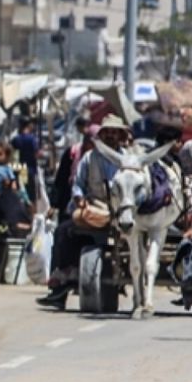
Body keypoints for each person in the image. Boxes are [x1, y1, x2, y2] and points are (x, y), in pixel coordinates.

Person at [36, 117, 129, 310]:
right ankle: (61, 284)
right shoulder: (89, 158)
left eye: (115, 132)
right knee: (63, 232)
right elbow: (78, 184)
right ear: (101, 135)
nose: (111, 135)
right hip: (95, 207)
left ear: (120, 135)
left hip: (123, 212)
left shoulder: (128, 159)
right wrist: (79, 199)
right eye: (107, 131)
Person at [11, 117, 40, 204]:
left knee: (23, 193)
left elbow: (13, 156)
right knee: (31, 194)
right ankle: (31, 214)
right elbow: (36, 154)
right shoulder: (32, 139)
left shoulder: (16, 139)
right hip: (30, 169)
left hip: (21, 168)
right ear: (28, 125)